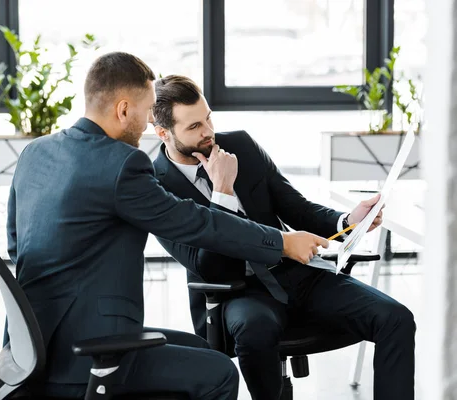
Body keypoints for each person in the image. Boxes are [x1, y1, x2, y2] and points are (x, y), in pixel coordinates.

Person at [7, 52, 331, 399]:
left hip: (31, 347)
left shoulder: (35, 152)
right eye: (147, 110)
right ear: (123, 109)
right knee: (220, 373)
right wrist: (282, 242)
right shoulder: (121, 164)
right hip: (85, 355)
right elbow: (197, 223)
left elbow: (16, 244)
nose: (149, 123)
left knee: (202, 350)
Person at [152, 74, 416, 400]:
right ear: (163, 133)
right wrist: (221, 191)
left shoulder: (242, 147)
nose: (208, 133)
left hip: (297, 272)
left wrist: (347, 219)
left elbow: (297, 209)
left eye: (208, 118)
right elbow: (209, 268)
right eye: (193, 127)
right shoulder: (155, 188)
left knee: (396, 319)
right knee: (255, 331)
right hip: (237, 292)